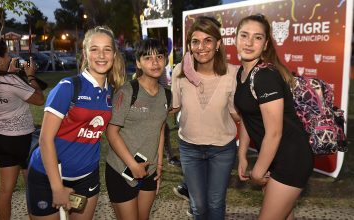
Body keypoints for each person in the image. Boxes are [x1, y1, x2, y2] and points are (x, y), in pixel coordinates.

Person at [26, 26, 125, 219]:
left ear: (114, 54)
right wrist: (57, 188)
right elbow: (46, 139)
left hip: (86, 176)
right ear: (85, 54)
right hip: (48, 176)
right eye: (94, 49)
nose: (101, 55)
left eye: (107, 49)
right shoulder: (68, 87)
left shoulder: (112, 93)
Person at [234, 14, 313, 220]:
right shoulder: (242, 73)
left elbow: (275, 132)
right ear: (235, 38)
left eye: (257, 37)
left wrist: (258, 171)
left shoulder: (265, 76)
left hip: (291, 158)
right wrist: (242, 155)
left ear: (266, 43)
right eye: (244, 35)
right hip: (272, 157)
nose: (249, 42)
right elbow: (247, 119)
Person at [171, 16, 240, 219]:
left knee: (215, 203)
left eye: (207, 40)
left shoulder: (232, 74)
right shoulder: (180, 73)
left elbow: (237, 115)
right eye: (195, 41)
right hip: (189, 148)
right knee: (199, 206)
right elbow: (172, 108)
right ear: (189, 46)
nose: (201, 47)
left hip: (222, 149)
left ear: (218, 43)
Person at [0, 37, 45, 220]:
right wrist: (30, 75)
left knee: (5, 190)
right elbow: (39, 99)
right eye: (6, 55)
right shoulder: (10, 81)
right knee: (33, 188)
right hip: (22, 140)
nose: (10, 57)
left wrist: (8, 73)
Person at [105, 38, 169, 220]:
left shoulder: (167, 94)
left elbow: (161, 130)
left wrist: (158, 167)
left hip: (148, 171)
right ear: (138, 63)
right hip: (121, 169)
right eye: (148, 57)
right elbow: (111, 132)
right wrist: (132, 165)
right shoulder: (127, 92)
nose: (155, 62)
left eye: (159, 56)